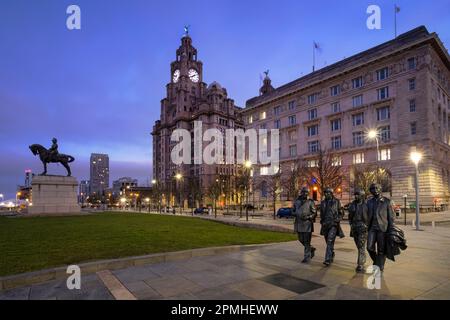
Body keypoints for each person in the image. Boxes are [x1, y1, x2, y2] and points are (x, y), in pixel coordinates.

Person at [367, 183, 395, 272]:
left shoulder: (387, 201)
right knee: (369, 247)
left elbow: (391, 217)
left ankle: (380, 266)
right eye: (372, 188)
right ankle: (376, 261)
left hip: (382, 228)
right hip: (372, 228)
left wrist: (391, 229)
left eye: (376, 188)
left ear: (380, 189)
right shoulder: (369, 201)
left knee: (381, 249)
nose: (374, 190)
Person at [320, 187, 345, 266]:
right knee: (328, 242)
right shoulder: (323, 202)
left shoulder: (337, 202)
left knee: (330, 241)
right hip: (325, 225)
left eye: (328, 193)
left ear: (331, 193)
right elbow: (321, 214)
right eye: (325, 193)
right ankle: (331, 253)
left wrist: (337, 220)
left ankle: (327, 259)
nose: (326, 194)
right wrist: (322, 221)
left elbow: (341, 213)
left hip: (333, 225)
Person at [292, 187, 317, 263]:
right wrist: (295, 213)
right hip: (299, 223)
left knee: (306, 241)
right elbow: (292, 211)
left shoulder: (310, 202)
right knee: (300, 239)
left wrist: (308, 217)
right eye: (303, 192)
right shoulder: (297, 201)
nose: (305, 194)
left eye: (306, 192)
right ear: (301, 193)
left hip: (307, 224)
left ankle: (307, 257)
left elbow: (314, 212)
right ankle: (311, 248)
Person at [348, 189, 369, 272]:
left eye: (358, 194)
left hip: (363, 227)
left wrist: (367, 225)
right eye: (355, 194)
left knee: (361, 245)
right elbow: (350, 216)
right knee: (359, 245)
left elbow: (370, 215)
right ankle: (363, 257)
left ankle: (360, 264)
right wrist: (351, 224)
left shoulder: (367, 204)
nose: (356, 196)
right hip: (355, 226)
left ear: (362, 196)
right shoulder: (352, 204)